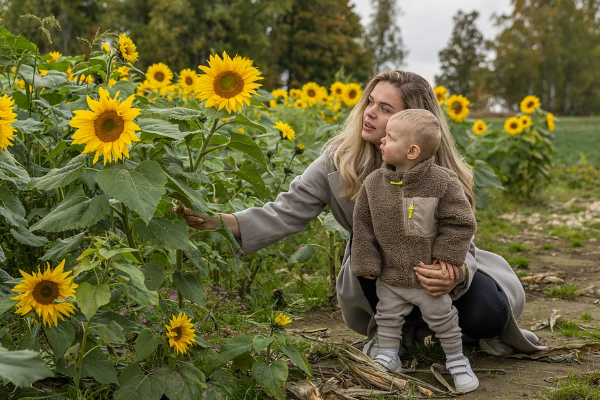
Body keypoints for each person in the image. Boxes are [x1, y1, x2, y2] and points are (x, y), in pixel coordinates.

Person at [174, 70, 547, 361]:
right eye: (371, 101)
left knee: (488, 314)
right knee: (370, 250)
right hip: (377, 273)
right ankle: (398, 332)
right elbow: (286, 212)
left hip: (436, 270)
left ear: (414, 123)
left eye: (386, 108)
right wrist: (217, 221)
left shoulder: (440, 171)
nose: (370, 111)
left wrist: (454, 270)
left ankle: (440, 326)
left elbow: (457, 231)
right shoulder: (340, 160)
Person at [351, 108, 478, 391]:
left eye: (389, 138)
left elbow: (460, 221)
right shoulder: (373, 185)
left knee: (443, 317)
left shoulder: (442, 182)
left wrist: (447, 257)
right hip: (391, 273)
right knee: (387, 315)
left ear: (411, 151)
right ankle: (388, 355)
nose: (381, 141)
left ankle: (456, 359)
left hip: (428, 276)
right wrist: (367, 263)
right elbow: (362, 227)